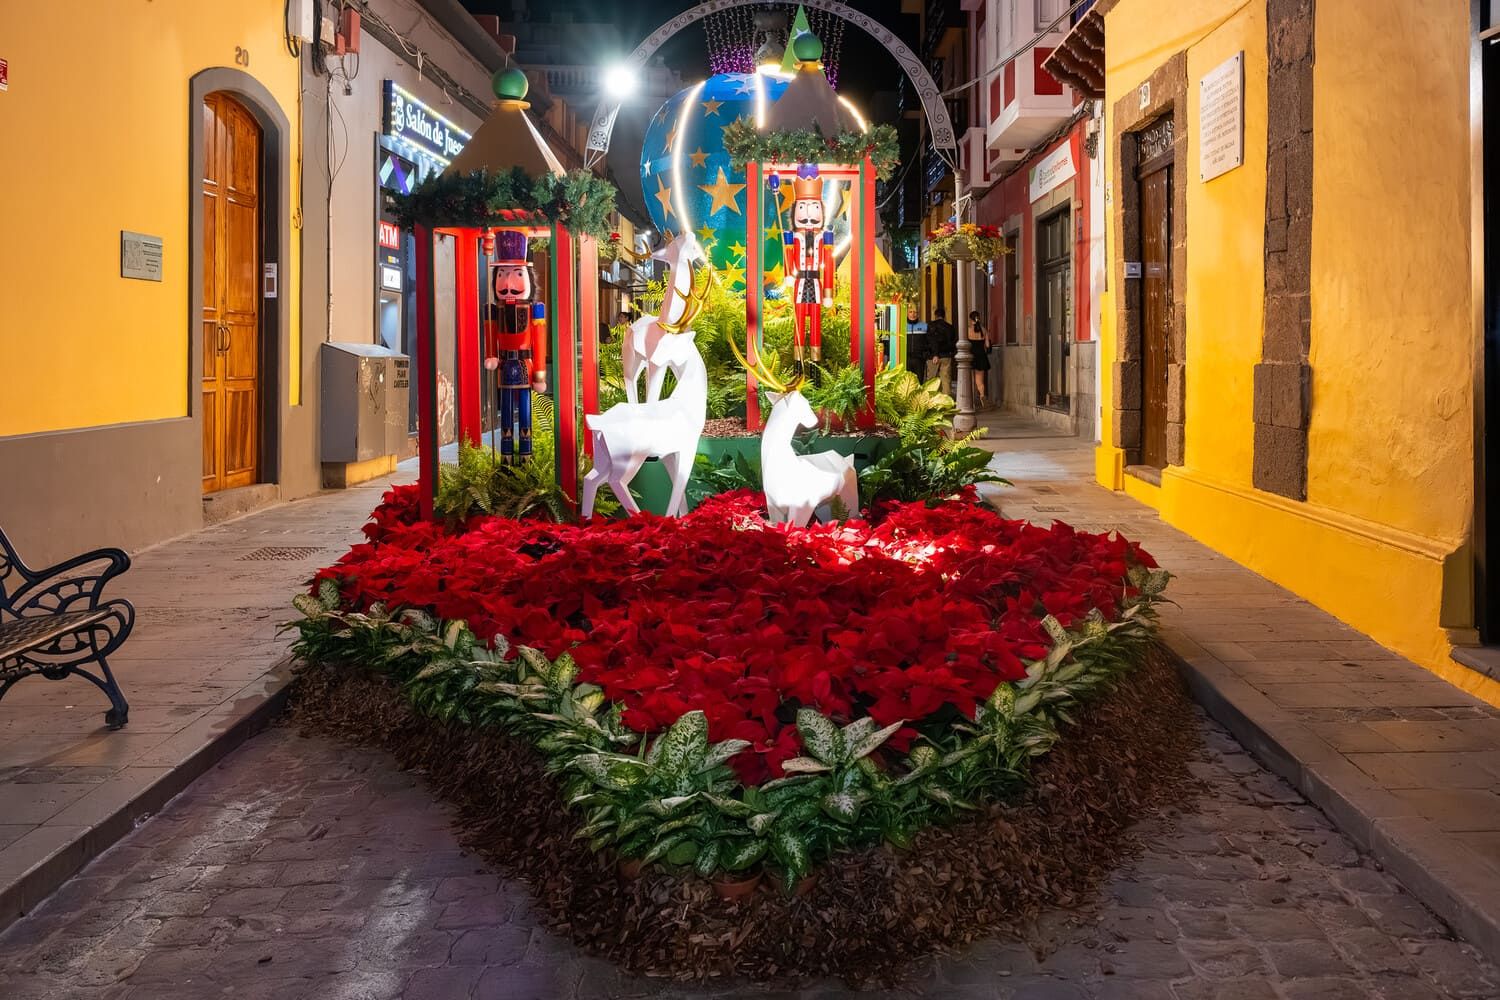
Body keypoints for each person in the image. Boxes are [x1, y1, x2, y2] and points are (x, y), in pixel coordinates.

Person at [926, 306, 958, 395]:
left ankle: (932, 400)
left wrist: (935, 354)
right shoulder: (950, 327)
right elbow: (953, 342)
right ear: (944, 316)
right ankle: (945, 402)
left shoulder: (931, 325)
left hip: (933, 357)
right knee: (946, 379)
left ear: (935, 315)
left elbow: (932, 341)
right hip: (946, 356)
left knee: (932, 380)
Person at [967, 310, 991, 408]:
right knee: (980, 381)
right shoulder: (984, 330)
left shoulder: (967, 330)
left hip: (970, 357)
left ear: (970, 319)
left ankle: (970, 401)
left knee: (969, 380)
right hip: (981, 356)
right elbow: (987, 345)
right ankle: (982, 395)